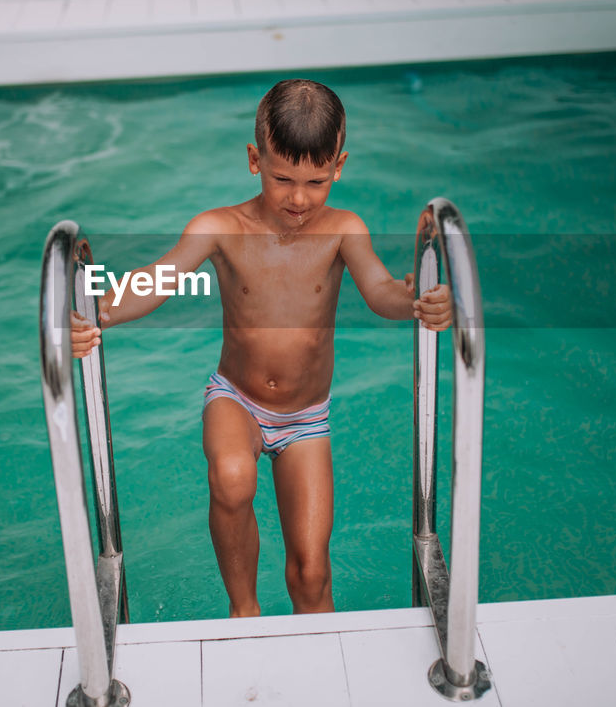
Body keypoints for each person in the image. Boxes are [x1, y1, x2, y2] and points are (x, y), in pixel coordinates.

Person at [70, 78, 451, 617]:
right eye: (282, 178)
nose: (299, 198)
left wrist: (418, 301)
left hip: (306, 418)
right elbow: (158, 277)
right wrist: (98, 314)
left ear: (339, 167)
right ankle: (243, 609)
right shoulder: (220, 227)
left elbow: (382, 293)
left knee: (312, 573)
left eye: (316, 181)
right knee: (231, 476)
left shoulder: (345, 230)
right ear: (255, 159)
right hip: (238, 400)